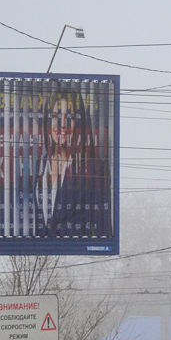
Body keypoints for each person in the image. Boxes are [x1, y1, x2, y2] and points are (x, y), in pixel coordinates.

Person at [33, 89, 111, 237]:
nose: (62, 125)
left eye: (69, 117)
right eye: (55, 116)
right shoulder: (40, 164)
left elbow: (103, 229)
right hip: (43, 256)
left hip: (78, 256)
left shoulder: (95, 168)